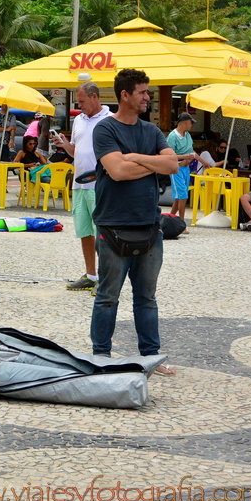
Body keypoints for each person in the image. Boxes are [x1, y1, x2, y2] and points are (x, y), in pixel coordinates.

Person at [90, 68, 179, 375]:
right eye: (142, 92)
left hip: (150, 226)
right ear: (124, 95)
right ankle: (100, 356)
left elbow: (172, 164)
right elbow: (117, 172)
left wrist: (134, 157)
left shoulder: (151, 131)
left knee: (147, 298)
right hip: (113, 225)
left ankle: (151, 357)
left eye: (147, 91)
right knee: (107, 296)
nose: (147, 97)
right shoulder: (104, 130)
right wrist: (149, 162)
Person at [51, 81, 111, 292]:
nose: (80, 105)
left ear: (95, 97)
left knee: (102, 232)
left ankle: (105, 278)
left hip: (100, 185)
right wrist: (65, 145)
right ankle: (91, 274)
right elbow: (76, 151)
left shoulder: (110, 120)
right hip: (79, 184)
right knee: (85, 230)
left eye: (82, 101)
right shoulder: (78, 120)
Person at [166, 113, 196, 221]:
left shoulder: (187, 135)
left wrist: (204, 161)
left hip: (186, 168)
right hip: (177, 168)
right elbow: (168, 155)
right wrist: (184, 157)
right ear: (185, 122)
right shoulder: (172, 136)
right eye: (191, 123)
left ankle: (169, 220)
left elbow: (191, 151)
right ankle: (181, 222)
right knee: (183, 195)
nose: (191, 125)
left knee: (180, 196)